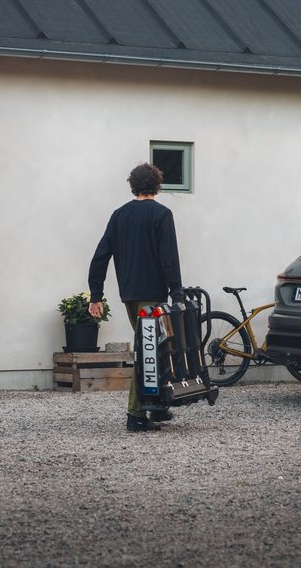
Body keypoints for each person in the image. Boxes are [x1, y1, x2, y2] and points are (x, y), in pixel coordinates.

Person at [87, 162, 183, 432]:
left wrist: (96, 294)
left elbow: (100, 257)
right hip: (152, 296)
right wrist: (177, 292)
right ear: (157, 185)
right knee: (148, 351)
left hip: (129, 295)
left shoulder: (119, 215)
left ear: (133, 185)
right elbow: (169, 258)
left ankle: (157, 406)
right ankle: (136, 414)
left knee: (152, 347)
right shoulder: (161, 214)